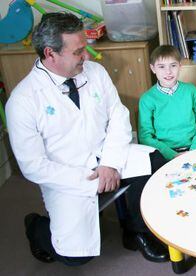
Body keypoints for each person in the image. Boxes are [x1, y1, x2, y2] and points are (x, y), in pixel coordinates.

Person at [5, 13, 169, 266]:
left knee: (154, 161)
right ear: (51, 54)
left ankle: (137, 231)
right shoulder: (23, 100)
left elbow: (118, 115)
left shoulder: (95, 72)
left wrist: (110, 164)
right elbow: (33, 166)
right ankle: (36, 227)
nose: (88, 56)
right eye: (79, 51)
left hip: (105, 155)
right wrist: (90, 180)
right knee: (74, 256)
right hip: (67, 174)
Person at [138, 45, 196, 160]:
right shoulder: (147, 99)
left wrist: (194, 150)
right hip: (164, 153)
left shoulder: (191, 91)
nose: (168, 72)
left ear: (180, 66)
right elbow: (145, 136)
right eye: (161, 67)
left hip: (194, 149)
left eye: (173, 65)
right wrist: (172, 155)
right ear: (153, 69)